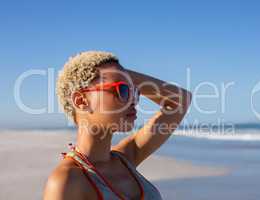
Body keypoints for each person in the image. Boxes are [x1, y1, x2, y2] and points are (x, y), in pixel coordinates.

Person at [43, 51, 192, 200]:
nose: (133, 101)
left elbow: (181, 100)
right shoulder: (67, 181)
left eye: (135, 92)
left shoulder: (126, 158)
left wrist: (122, 75)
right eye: (123, 90)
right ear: (81, 101)